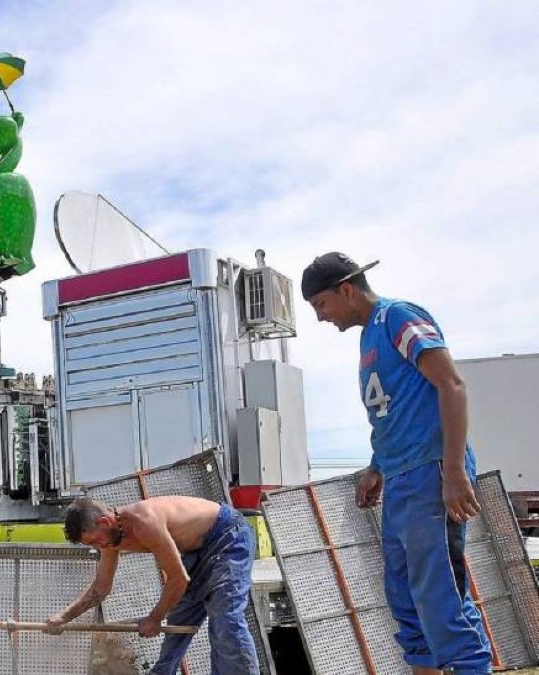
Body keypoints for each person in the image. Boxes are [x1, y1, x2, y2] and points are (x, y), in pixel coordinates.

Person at [302, 252, 491, 675]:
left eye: (321, 305)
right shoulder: (368, 338)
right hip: (400, 477)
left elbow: (452, 385)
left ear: (347, 290)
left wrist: (455, 471)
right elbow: (396, 410)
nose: (320, 318)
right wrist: (376, 467)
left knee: (441, 598)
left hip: (432, 472)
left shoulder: (397, 318)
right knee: (406, 599)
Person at [44, 495, 259, 675]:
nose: (98, 547)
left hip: (227, 537)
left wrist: (154, 619)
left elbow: (178, 579)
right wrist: (64, 617)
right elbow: (101, 589)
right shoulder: (109, 538)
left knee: (226, 619)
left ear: (104, 522)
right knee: (178, 622)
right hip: (197, 552)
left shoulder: (144, 521)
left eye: (93, 541)